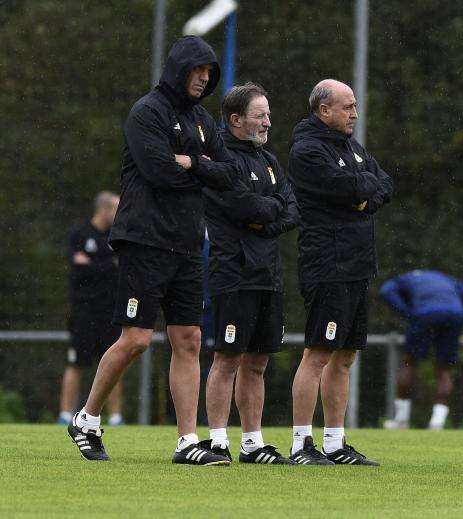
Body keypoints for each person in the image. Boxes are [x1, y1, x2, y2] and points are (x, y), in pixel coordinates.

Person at [66, 35, 237, 465]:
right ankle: (86, 418)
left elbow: (229, 173)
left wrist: (192, 163)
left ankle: (186, 442)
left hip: (187, 243)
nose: (203, 78)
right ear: (179, 68)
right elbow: (161, 173)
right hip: (144, 240)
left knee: (190, 338)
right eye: (198, 70)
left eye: (209, 73)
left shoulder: (201, 119)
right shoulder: (147, 112)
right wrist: (201, 171)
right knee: (137, 339)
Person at [287, 79, 392, 465]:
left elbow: (384, 185)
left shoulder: (351, 147)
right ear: (323, 110)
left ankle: (334, 442)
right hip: (327, 264)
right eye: (347, 107)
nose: (354, 113)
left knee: (345, 356)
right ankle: (301, 444)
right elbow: (346, 188)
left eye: (354, 106)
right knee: (318, 353)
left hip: (358, 264)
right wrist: (360, 194)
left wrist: (363, 196)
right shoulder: (308, 150)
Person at [202, 82, 299, 465]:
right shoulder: (221, 160)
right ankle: (216, 440)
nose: (267, 121)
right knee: (227, 359)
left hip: (268, 275)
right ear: (236, 119)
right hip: (234, 273)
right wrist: (265, 213)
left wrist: (266, 217)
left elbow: (291, 209)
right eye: (260, 114)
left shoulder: (271, 161)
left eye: (269, 114)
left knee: (258, 362)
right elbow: (245, 208)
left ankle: (253, 444)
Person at [380, 270, 463, 430]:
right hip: (453, 314)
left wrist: (407, 313)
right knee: (444, 368)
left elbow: (386, 291)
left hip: (424, 314)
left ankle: (401, 420)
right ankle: (437, 421)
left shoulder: (404, 279)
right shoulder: (446, 278)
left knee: (409, 362)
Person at [58, 192, 124, 427]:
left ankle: (115, 417)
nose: (120, 213)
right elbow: (78, 270)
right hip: (82, 311)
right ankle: (65, 414)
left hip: (110, 312)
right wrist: (108, 265)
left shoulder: (117, 236)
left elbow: (119, 268)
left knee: (113, 362)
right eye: (116, 208)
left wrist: (93, 264)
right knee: (76, 362)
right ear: (104, 209)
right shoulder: (80, 233)